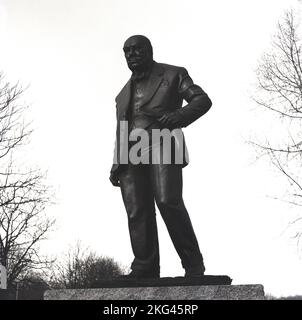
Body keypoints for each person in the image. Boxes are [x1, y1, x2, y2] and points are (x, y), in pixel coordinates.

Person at [110, 35, 212, 279]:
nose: (131, 54)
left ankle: (193, 263)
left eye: (137, 49)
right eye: (126, 51)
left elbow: (202, 100)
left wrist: (177, 117)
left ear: (150, 50)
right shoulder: (122, 94)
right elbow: (121, 128)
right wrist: (116, 163)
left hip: (163, 140)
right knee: (137, 209)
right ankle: (144, 266)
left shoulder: (173, 74)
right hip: (131, 150)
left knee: (168, 201)